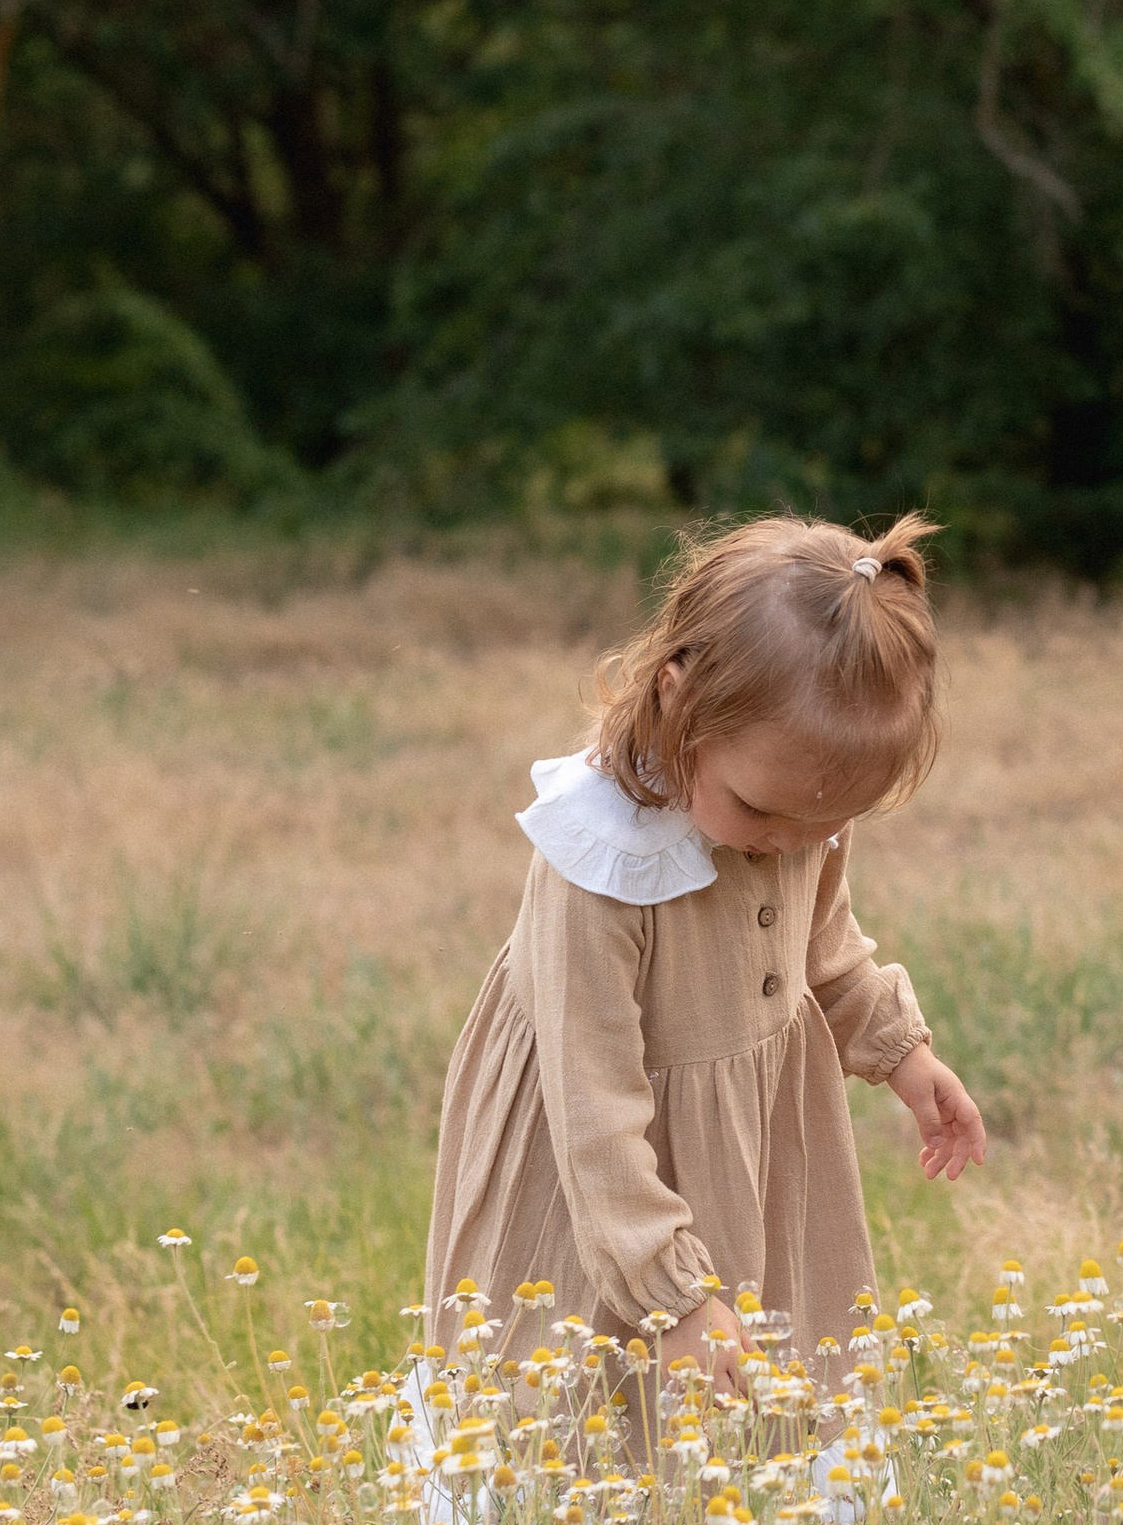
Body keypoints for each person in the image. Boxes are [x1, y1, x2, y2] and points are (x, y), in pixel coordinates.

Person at [421, 512, 985, 1430]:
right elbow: (593, 1106)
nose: (789, 844)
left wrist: (901, 1052)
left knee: (761, 1395)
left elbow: (824, 944)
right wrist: (672, 1292)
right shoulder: (603, 860)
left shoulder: (796, 814)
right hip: (607, 1188)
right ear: (680, 700)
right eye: (762, 811)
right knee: (592, 1416)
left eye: (826, 822)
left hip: (751, 1159)